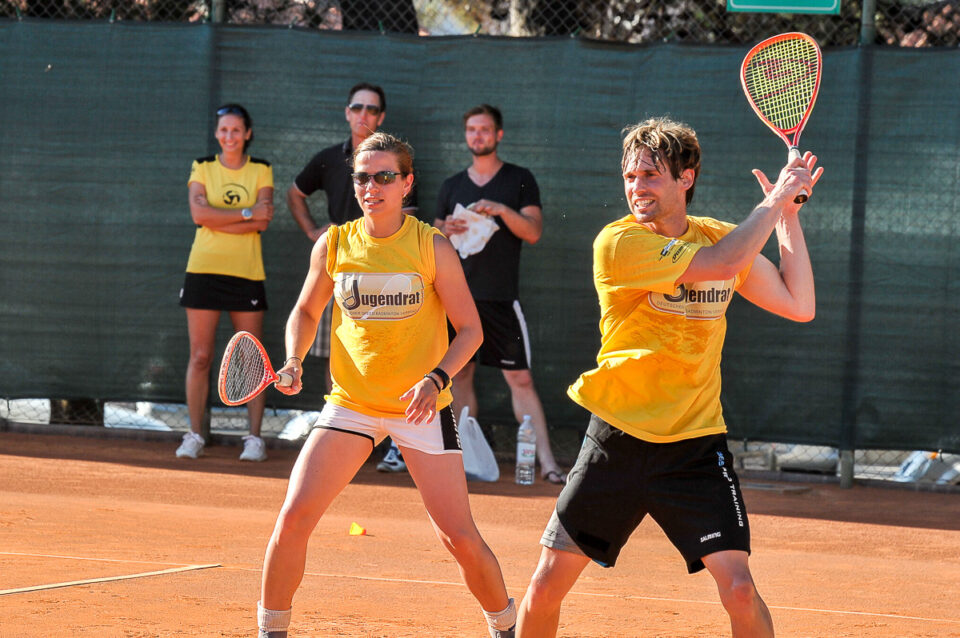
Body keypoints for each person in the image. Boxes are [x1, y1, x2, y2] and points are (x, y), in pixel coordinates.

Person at [516, 117, 822, 637]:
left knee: (741, 589)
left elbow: (800, 304)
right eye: (631, 176)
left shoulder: (722, 236)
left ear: (686, 177)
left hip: (696, 446)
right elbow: (724, 263)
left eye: (651, 175)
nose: (637, 188)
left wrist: (789, 213)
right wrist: (772, 206)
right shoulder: (619, 244)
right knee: (546, 585)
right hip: (618, 438)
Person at [256, 133, 517, 638]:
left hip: (421, 408)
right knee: (293, 518)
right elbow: (308, 311)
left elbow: (470, 330)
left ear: (406, 183)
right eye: (362, 177)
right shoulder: (333, 243)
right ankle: (271, 632)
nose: (371, 186)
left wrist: (435, 378)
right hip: (351, 405)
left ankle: (506, 626)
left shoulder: (431, 246)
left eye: (384, 176)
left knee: (458, 538)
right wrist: (293, 360)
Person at [287, 81, 416, 473]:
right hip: (340, 271)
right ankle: (348, 441)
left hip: (391, 276)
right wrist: (315, 232)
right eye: (357, 107)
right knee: (337, 358)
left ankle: (397, 445)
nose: (364, 115)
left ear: (381, 117)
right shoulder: (328, 160)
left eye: (372, 109)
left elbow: (406, 216)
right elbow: (295, 193)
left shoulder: (394, 163)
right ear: (348, 112)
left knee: (395, 357)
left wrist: (380, 245)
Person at [434, 104, 566, 484]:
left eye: (485, 130)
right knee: (459, 378)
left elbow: (534, 231)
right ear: (466, 135)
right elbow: (436, 233)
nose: (478, 136)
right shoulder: (451, 185)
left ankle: (548, 464)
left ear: (499, 135)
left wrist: (500, 210)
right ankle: (459, 460)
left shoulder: (519, 179)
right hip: (458, 300)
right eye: (472, 130)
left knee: (521, 380)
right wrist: (446, 225)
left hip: (501, 300)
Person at [176, 103, 275, 462]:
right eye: (224, 130)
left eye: (236, 130)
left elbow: (263, 221)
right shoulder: (202, 167)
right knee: (200, 357)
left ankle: (254, 439)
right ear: (217, 134)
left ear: (247, 133)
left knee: (251, 358)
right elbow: (198, 215)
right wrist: (245, 213)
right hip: (203, 270)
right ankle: (195, 434)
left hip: (247, 273)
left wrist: (219, 219)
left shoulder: (262, 170)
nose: (229, 136)